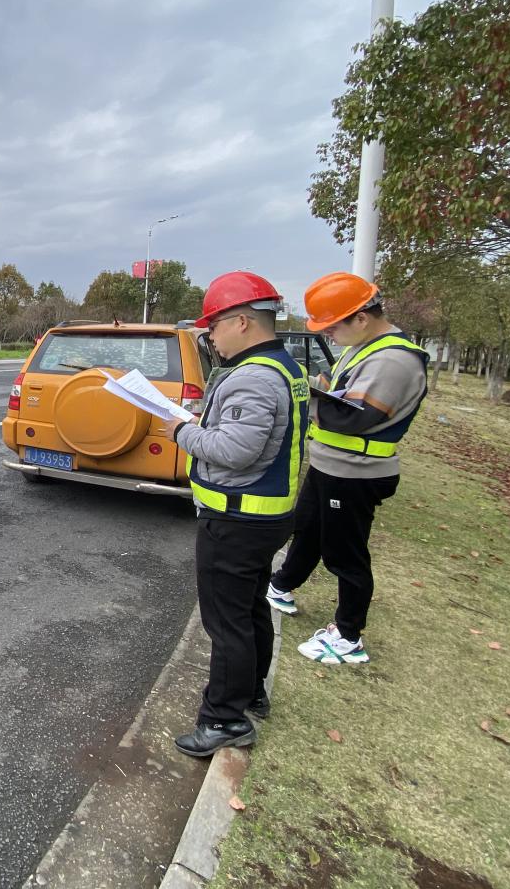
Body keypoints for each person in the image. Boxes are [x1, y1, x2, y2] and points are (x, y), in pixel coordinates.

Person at [167, 272, 309, 758]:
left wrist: (181, 431)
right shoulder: (285, 367)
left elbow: (234, 450)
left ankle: (224, 720)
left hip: (237, 518)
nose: (210, 337)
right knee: (250, 610)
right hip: (265, 515)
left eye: (214, 326)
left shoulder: (253, 377)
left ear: (242, 322)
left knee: (226, 622)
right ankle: (252, 693)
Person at [267, 272, 429, 666]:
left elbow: (351, 417)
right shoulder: (363, 348)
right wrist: (304, 383)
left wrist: (305, 399)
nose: (329, 334)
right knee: (308, 529)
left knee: (345, 554)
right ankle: (281, 585)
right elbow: (331, 385)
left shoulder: (392, 359)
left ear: (361, 317)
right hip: (332, 464)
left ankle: (348, 635)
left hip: (356, 473)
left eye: (333, 326)